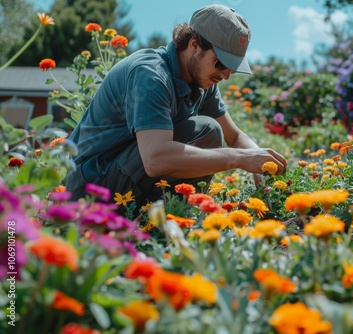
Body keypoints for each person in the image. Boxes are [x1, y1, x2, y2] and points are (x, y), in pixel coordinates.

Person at [65, 4, 287, 213]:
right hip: (89, 191)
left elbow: (235, 136)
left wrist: (262, 164)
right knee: (206, 131)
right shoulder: (150, 75)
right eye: (221, 63)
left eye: (233, 67)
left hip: (121, 177)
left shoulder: (202, 78)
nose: (226, 75)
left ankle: (164, 220)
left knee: (208, 131)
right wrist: (238, 158)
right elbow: (155, 160)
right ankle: (144, 223)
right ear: (194, 45)